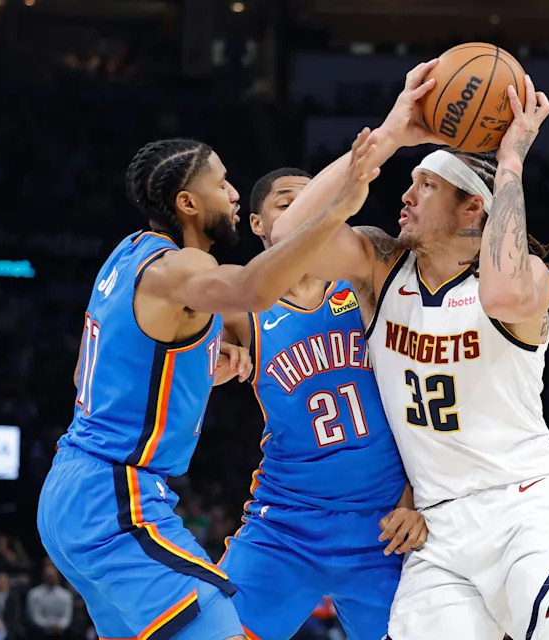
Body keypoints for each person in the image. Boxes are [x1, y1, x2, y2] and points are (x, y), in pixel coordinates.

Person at [271, 61, 549, 639]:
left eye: (426, 185)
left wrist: (511, 164)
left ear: (473, 207)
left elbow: (499, 294)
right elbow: (285, 236)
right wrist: (392, 135)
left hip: (523, 510)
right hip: (437, 528)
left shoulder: (530, 278)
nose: (406, 194)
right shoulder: (381, 267)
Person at [37, 131, 383, 640]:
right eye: (222, 184)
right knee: (219, 625)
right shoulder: (186, 265)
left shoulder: (127, 255)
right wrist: (334, 212)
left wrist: (195, 362)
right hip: (118, 496)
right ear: (188, 203)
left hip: (73, 487)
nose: (234, 193)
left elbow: (90, 371)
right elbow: (249, 289)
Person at [218, 168, 426, 639]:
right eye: (288, 202)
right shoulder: (242, 306)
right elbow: (196, 363)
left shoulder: (368, 283)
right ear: (257, 224)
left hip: (386, 526)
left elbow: (428, 401)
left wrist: (418, 499)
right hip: (287, 525)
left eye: (315, 199)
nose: (304, 211)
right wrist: (214, 359)